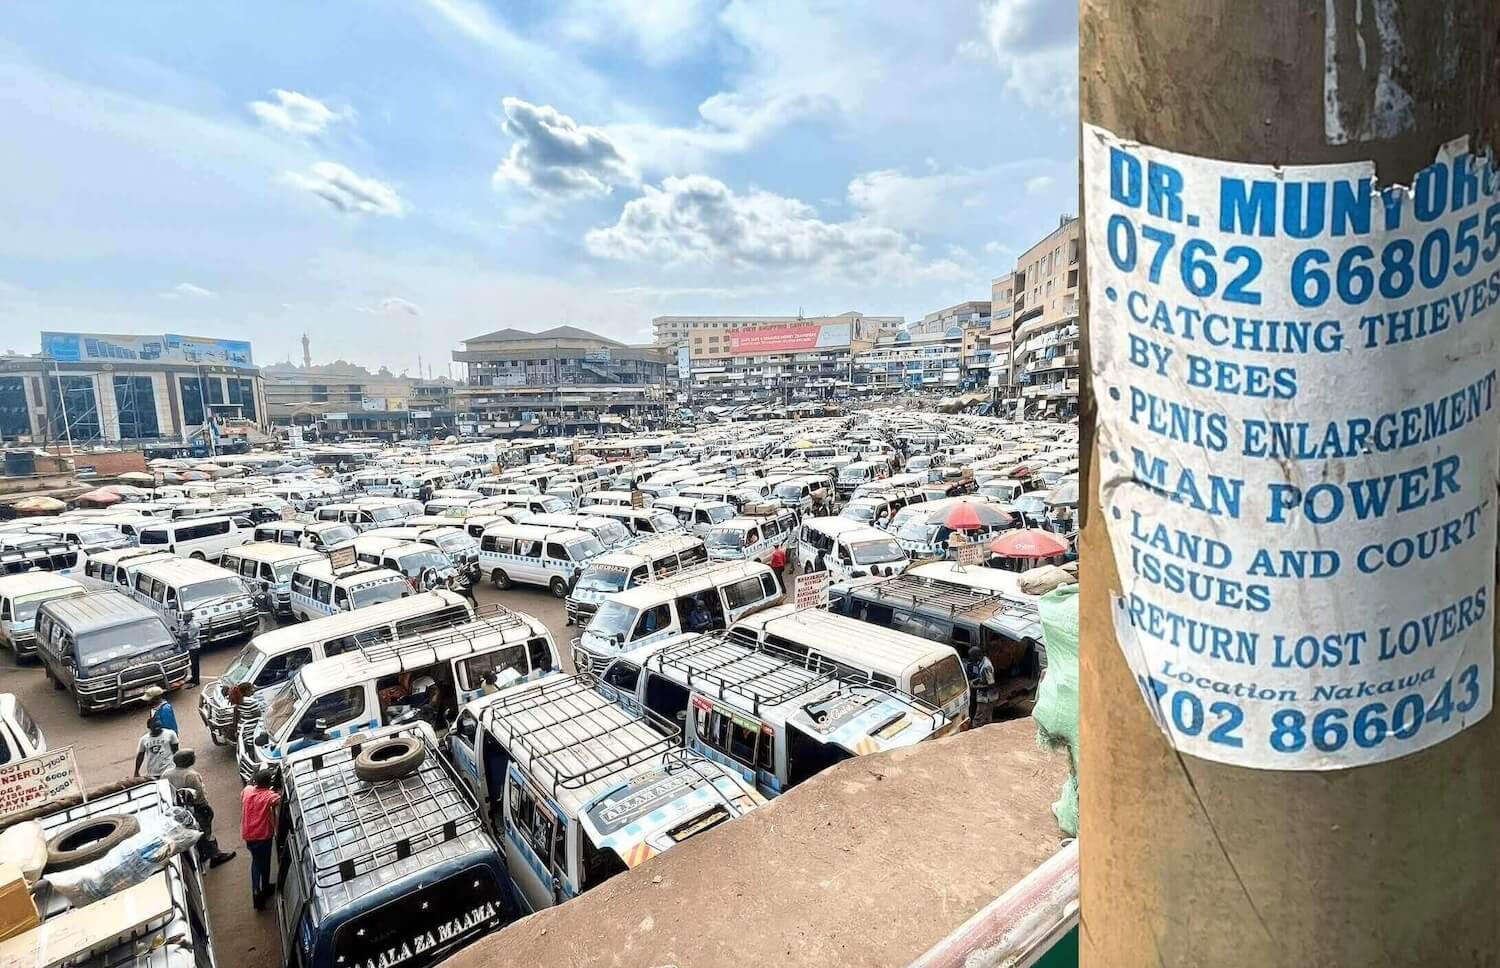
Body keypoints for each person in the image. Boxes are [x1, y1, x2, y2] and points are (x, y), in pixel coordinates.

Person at [164, 750, 236, 868]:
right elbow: (199, 794)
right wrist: (204, 807)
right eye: (192, 756)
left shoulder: (167, 773)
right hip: (196, 808)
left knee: (192, 832)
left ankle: (203, 854)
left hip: (177, 808)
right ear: (189, 761)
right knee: (205, 832)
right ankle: (215, 856)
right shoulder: (191, 775)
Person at [242, 769, 282, 910]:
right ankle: (262, 889)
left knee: (256, 862)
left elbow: (245, 790)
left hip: (249, 834)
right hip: (263, 835)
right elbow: (280, 800)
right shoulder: (269, 796)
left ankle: (257, 890)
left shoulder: (247, 791)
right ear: (269, 783)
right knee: (263, 863)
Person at [966, 646, 998, 727]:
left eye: (972, 656)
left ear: (977, 655)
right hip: (989, 697)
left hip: (987, 698)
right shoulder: (983, 661)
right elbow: (984, 677)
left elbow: (991, 685)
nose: (971, 658)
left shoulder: (986, 667)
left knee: (977, 720)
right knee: (987, 719)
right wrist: (975, 681)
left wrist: (974, 687)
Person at [180, 615, 203, 686]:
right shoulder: (182, 623)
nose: (184, 618)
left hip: (193, 647)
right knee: (190, 664)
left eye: (186, 617)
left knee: (194, 664)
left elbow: (187, 637)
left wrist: (176, 635)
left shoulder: (194, 626)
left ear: (190, 617)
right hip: (186, 647)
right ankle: (193, 678)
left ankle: (196, 681)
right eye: (184, 616)